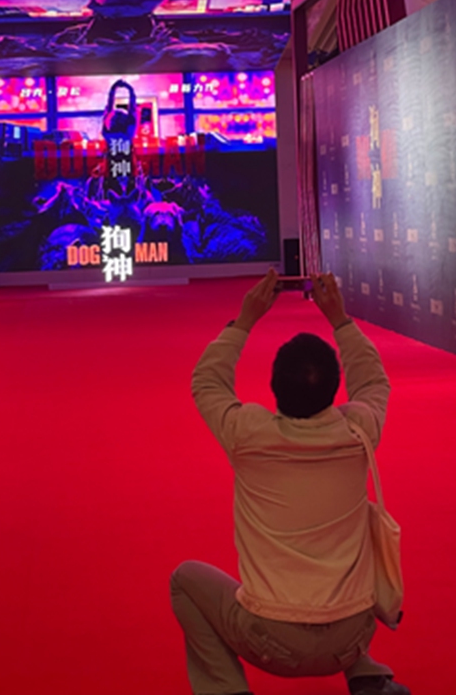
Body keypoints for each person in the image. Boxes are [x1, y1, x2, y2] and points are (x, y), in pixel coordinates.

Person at [171, 271, 410, 695]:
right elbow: (373, 381)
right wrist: (340, 320)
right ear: (337, 389)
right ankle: (366, 677)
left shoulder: (248, 433)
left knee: (185, 580)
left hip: (269, 641)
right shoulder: (359, 431)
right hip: (353, 634)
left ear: (273, 388)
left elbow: (207, 381)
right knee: (347, 559)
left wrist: (245, 320)